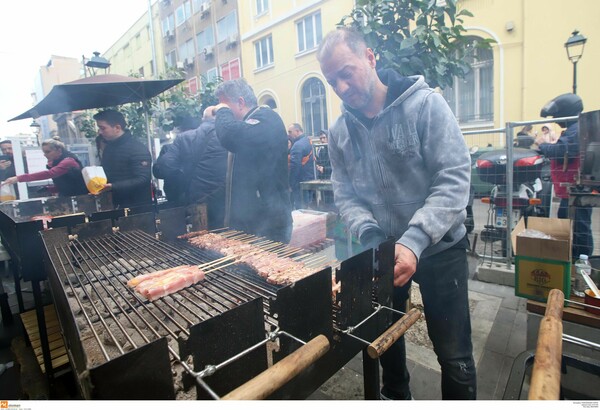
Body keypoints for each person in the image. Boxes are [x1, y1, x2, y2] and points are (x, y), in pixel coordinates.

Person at [317, 27, 475, 400]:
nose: (340, 88)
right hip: (383, 250)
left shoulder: (425, 105)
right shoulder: (339, 132)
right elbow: (346, 194)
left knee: (454, 356)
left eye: (346, 72)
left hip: (439, 247)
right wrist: (371, 237)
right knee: (384, 340)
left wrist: (415, 240)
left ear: (370, 58)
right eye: (331, 81)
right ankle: (396, 397)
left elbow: (453, 177)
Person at [212, 78, 292, 243]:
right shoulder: (247, 125)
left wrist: (221, 111)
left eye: (225, 105)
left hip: (270, 224)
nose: (223, 111)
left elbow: (229, 135)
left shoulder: (267, 119)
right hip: (252, 223)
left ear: (241, 102)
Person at [535, 93, 592, 258]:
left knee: (580, 227)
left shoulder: (576, 131)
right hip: (572, 189)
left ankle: (581, 261)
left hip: (577, 188)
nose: (555, 119)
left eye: (556, 116)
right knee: (567, 220)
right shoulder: (576, 129)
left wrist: (543, 145)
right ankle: (572, 257)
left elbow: (561, 151)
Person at [153, 107, 227, 229]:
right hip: (227, 205)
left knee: (201, 240)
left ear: (203, 119)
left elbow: (165, 168)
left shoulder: (184, 138)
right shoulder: (230, 136)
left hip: (197, 205)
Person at [93, 110, 152, 208]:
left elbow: (143, 179)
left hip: (137, 207)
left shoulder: (137, 149)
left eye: (103, 128)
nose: (100, 132)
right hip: (114, 204)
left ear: (117, 128)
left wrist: (113, 186)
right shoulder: (109, 148)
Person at [2, 139, 88, 197]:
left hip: (80, 197)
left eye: (48, 152)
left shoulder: (68, 160)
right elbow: (67, 182)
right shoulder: (57, 161)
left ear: (58, 150)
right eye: (44, 152)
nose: (45, 155)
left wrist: (18, 178)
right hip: (69, 196)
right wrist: (49, 188)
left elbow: (50, 173)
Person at [287, 123, 315, 209]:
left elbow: (295, 166)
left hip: (300, 182)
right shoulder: (308, 141)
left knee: (302, 209)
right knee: (309, 207)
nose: (289, 134)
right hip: (310, 179)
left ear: (297, 131)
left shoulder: (297, 145)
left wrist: (291, 183)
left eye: (290, 132)